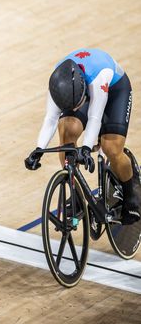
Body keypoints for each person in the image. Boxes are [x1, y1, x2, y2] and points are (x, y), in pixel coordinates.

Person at [25, 48, 140, 224]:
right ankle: (76, 195)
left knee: (111, 147)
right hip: (79, 90)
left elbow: (95, 118)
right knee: (67, 131)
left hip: (116, 89)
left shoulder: (99, 76)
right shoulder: (56, 84)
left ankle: (131, 197)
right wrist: (38, 149)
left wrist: (86, 148)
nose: (76, 109)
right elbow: (50, 118)